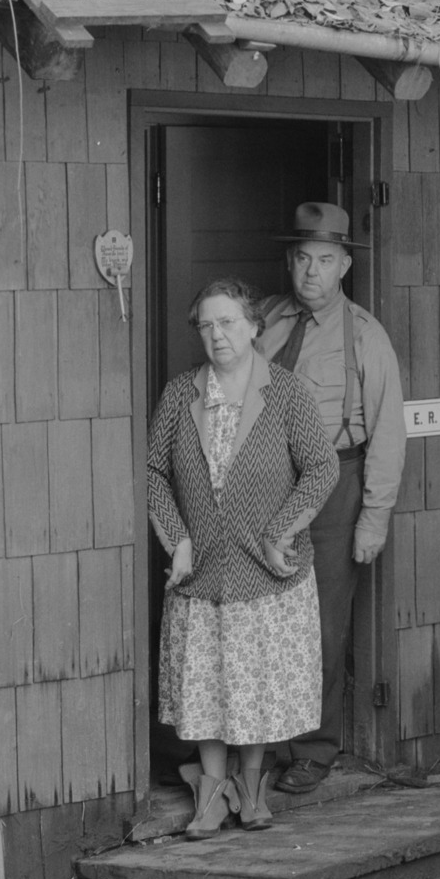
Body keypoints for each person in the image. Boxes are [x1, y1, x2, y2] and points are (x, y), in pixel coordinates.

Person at [146, 278, 338, 835]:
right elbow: (154, 472)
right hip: (203, 570)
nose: (217, 334)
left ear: (254, 326)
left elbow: (322, 467)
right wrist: (178, 539)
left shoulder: (286, 392)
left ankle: (251, 789)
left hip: (265, 571)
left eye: (228, 322)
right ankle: (210, 793)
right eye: (206, 325)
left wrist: (281, 530)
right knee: (208, 686)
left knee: (255, 686)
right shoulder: (181, 395)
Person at [256, 202, 406, 797]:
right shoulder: (265, 319)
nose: (310, 271)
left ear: (344, 265)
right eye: (301, 258)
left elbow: (388, 433)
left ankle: (313, 748)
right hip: (264, 484)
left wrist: (374, 519)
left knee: (320, 622)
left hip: (335, 485)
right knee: (258, 614)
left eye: (323, 260)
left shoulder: (366, 336)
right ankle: (259, 743)